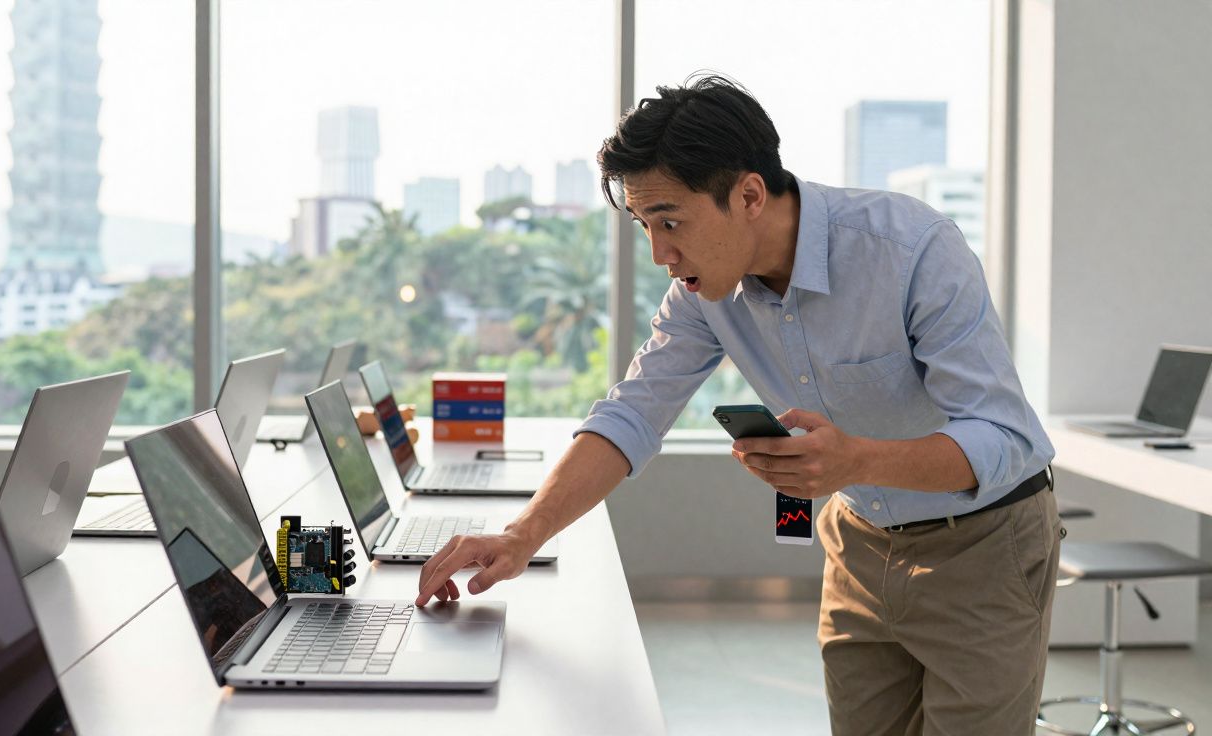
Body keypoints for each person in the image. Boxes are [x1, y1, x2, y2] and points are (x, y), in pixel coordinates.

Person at [416, 74, 1059, 735]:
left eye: (670, 221)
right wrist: (522, 537)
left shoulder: (911, 250)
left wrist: (853, 459)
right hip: (860, 544)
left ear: (750, 194)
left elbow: (1004, 438)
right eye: (643, 225)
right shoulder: (703, 293)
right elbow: (632, 413)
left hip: (984, 544)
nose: (660, 254)